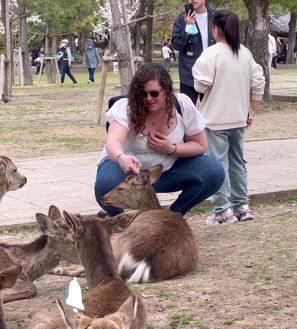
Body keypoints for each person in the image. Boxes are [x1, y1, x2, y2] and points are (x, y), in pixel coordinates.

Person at [94, 62, 225, 217]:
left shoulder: (182, 105)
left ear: (167, 91)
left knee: (214, 171)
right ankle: (120, 222)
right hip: (130, 173)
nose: (148, 98)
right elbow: (113, 141)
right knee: (104, 185)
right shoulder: (126, 107)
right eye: (143, 94)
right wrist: (121, 158)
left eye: (154, 93)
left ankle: (170, 217)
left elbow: (200, 145)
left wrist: (172, 149)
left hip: (168, 170)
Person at [192, 10, 265, 225]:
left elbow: (201, 84)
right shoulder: (244, 53)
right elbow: (258, 81)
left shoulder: (211, 54)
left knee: (218, 164)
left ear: (216, 29)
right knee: (238, 162)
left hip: (215, 119)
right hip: (238, 118)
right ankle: (241, 206)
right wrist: (253, 110)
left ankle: (223, 210)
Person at [171, 0, 216, 105]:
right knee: (186, 111)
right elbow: (177, 45)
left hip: (213, 71)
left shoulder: (216, 16)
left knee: (211, 112)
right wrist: (188, 27)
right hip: (189, 73)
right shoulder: (181, 19)